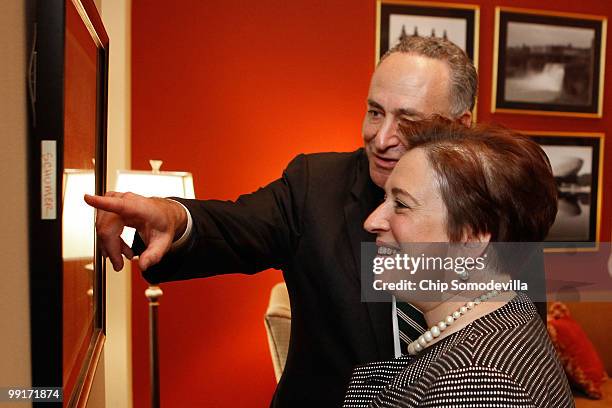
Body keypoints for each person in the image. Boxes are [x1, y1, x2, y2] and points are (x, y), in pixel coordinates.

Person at [85, 36, 477, 407]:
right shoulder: (316, 186)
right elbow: (235, 225)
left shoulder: (502, 207)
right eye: (375, 112)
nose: (381, 137)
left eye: (407, 120)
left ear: (461, 126)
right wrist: (173, 216)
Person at [343, 119, 572, 407]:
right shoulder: (509, 312)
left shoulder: (480, 382)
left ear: (471, 239)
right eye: (384, 199)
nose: (372, 221)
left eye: (401, 204)